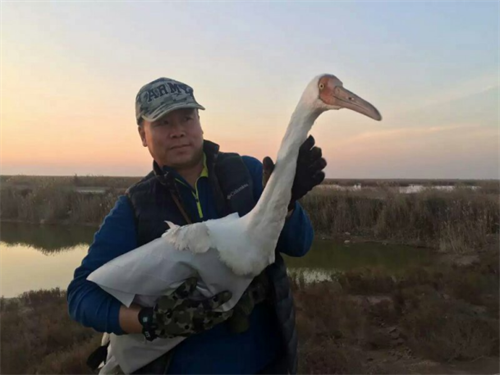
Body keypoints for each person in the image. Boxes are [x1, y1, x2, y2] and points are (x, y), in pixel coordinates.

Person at [67, 77, 326, 375]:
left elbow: (300, 244)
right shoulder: (135, 208)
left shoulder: (248, 173)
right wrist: (150, 321)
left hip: (266, 363)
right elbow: (80, 297)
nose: (178, 131)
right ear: (143, 134)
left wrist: (286, 204)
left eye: (187, 118)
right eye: (163, 123)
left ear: (200, 123)